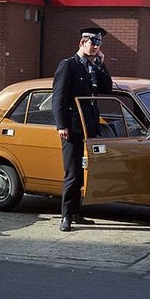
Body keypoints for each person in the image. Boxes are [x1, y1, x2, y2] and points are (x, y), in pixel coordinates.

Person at [52, 26, 113, 232]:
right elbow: (58, 98)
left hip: (90, 127)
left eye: (99, 44)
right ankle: (66, 216)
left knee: (84, 172)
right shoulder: (68, 65)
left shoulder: (94, 66)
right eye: (93, 43)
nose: (96, 47)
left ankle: (77, 213)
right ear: (82, 43)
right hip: (73, 127)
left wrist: (102, 64)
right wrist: (61, 125)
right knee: (72, 174)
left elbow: (107, 88)